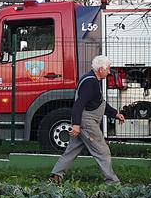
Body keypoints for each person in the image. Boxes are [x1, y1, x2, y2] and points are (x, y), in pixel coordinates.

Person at [50, 54, 122, 185]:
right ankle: (113, 183)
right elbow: (79, 104)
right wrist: (76, 124)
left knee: (72, 150)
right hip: (87, 123)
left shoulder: (92, 79)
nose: (109, 71)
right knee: (102, 151)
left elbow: (98, 103)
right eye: (108, 68)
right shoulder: (91, 82)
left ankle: (56, 175)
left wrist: (115, 114)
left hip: (84, 122)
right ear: (101, 69)